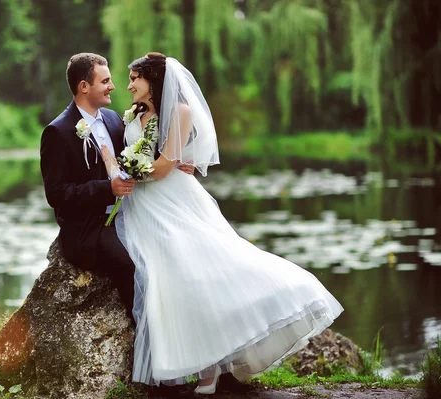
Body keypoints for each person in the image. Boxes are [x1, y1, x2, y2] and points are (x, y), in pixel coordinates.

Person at [100, 53, 344, 394]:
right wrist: (118, 167)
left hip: (172, 200)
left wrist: (127, 170)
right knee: (163, 281)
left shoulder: (179, 112)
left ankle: (212, 368)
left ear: (153, 81)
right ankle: (188, 361)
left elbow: (165, 167)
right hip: (142, 206)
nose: (128, 86)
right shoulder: (135, 114)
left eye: (134, 79)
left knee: (200, 270)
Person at [40, 53, 193, 320]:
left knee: (173, 249)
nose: (113, 86)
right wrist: (106, 188)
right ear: (84, 87)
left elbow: (136, 159)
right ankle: (145, 330)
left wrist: (174, 165)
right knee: (133, 262)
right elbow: (56, 195)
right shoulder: (58, 131)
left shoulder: (113, 120)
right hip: (89, 228)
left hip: (129, 212)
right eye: (105, 81)